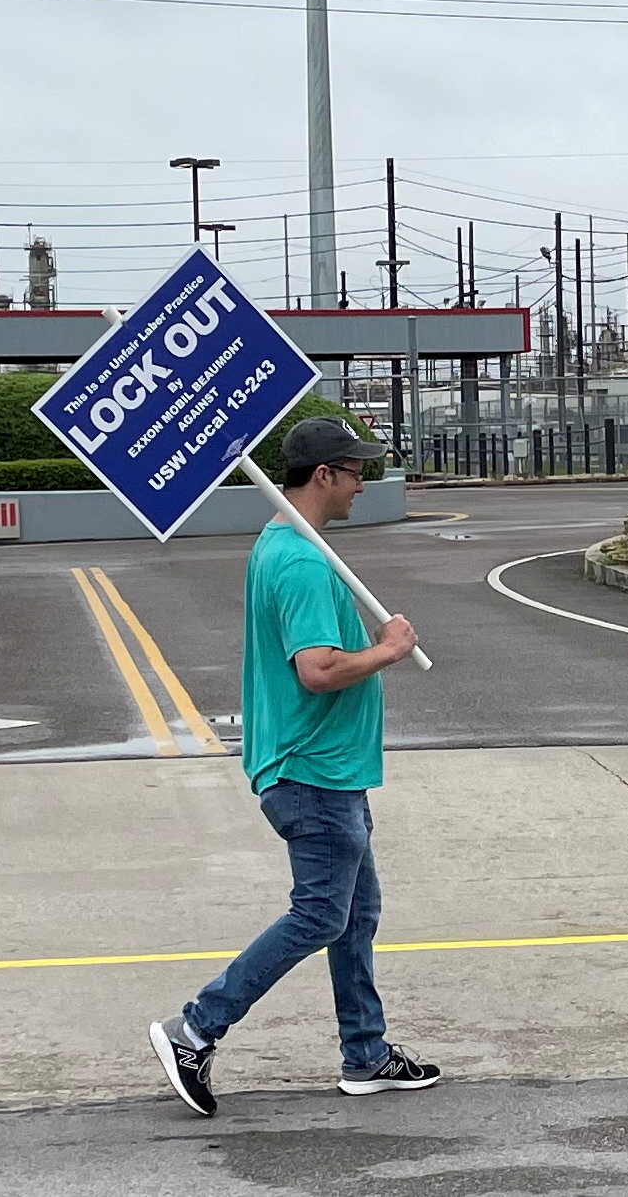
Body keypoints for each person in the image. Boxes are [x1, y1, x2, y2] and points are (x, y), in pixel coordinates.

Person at [150, 415, 440, 1114]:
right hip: (311, 771)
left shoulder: (285, 541)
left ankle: (365, 1055)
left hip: (326, 769)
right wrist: (388, 651)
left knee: (355, 913)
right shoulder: (305, 561)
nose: (363, 483)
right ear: (324, 476)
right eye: (355, 470)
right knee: (319, 916)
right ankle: (194, 1027)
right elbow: (317, 670)